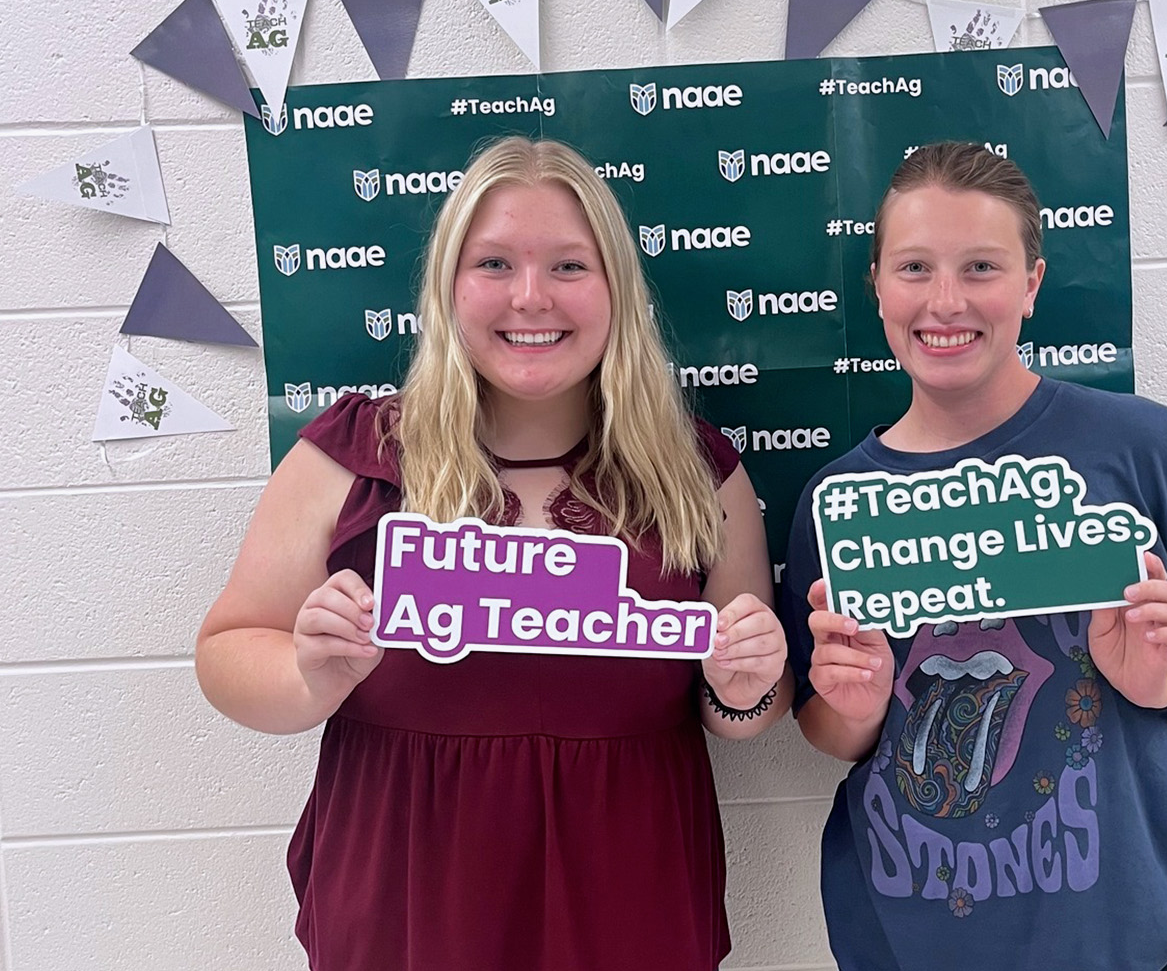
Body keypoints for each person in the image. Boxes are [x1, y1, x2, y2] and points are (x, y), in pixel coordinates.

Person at [196, 136, 790, 971]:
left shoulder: (699, 474)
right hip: (410, 875)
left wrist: (742, 692)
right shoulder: (351, 453)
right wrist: (309, 675)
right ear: (449, 286)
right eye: (495, 264)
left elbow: (746, 710)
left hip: (630, 873)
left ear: (617, 287)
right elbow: (227, 651)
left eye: (570, 267)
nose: (531, 297)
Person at [779, 142, 1167, 971]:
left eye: (981, 266)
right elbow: (828, 727)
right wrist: (857, 705)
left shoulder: (1148, 451)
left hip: (1126, 921)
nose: (945, 301)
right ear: (876, 286)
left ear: (1032, 285)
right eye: (913, 268)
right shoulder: (839, 502)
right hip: (912, 929)